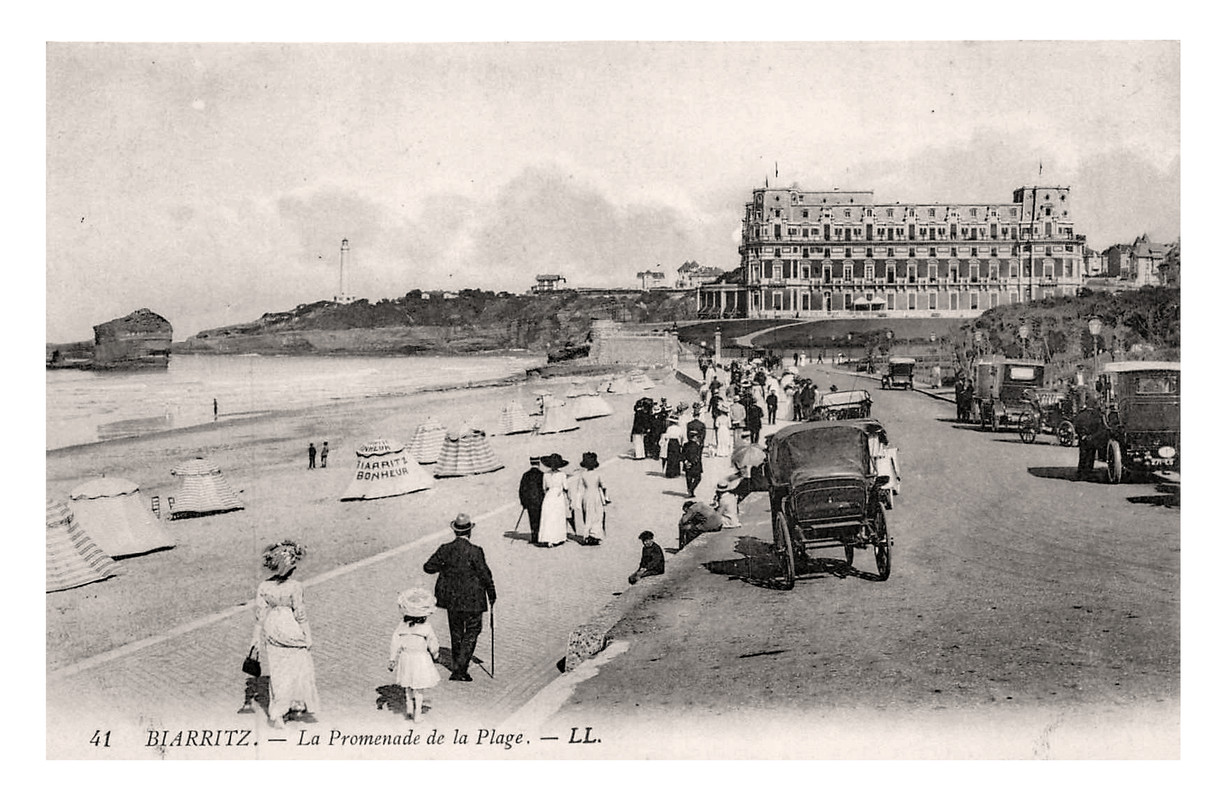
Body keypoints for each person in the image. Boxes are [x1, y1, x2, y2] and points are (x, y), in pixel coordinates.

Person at [251, 540, 320, 728]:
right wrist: (308, 636)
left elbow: (260, 615)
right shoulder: (295, 586)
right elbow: (300, 614)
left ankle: (278, 713)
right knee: (298, 668)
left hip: (272, 629)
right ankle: (295, 703)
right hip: (290, 628)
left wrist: (255, 638)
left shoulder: (264, 587)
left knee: (278, 672)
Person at [422, 513, 496, 681]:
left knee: (456, 632)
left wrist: (446, 567)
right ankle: (460, 670)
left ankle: (458, 665)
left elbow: (428, 567)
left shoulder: (445, 549)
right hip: (473, 600)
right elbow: (485, 575)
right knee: (472, 630)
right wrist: (492, 595)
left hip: (451, 599)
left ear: (454, 531)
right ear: (469, 532)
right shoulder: (475, 551)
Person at [389, 588, 441, 722]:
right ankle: (417, 714)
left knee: (408, 684)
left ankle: (409, 708)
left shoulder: (402, 626)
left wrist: (392, 658)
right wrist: (435, 654)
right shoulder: (426, 627)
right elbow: (433, 643)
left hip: (406, 658)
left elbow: (395, 642)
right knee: (419, 687)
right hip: (420, 659)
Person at [537, 453, 569, 547]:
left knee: (548, 517)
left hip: (549, 495)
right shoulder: (562, 474)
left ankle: (547, 538)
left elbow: (544, 487)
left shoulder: (546, 474)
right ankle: (557, 538)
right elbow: (566, 487)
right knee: (557, 517)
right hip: (558, 496)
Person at [1073, 399, 1109, 481]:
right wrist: (1093, 436)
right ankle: (1088, 472)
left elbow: (1076, 425)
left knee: (1083, 455)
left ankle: (1080, 473)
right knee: (1091, 454)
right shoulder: (1097, 415)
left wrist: (1082, 435)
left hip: (1083, 438)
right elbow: (1101, 428)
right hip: (1093, 438)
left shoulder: (1081, 414)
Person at [578, 452, 608, 545]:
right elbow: (604, 486)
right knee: (598, 515)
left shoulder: (583, 475)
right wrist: (606, 497)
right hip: (596, 495)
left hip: (587, 496)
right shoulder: (598, 474)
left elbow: (580, 488)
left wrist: (579, 501)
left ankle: (588, 535)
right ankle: (596, 535)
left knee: (588, 515)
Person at [517, 455, 545, 544]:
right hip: (540, 500)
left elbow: (522, 489)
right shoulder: (542, 475)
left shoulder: (526, 475)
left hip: (530, 501)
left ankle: (534, 535)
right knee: (540, 518)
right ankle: (539, 535)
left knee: (532, 518)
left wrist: (523, 502)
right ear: (539, 463)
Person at [681, 432, 704, 498]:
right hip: (695, 464)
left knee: (689, 478)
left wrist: (686, 462)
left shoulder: (685, 445)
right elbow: (698, 456)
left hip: (687, 464)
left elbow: (682, 455)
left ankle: (690, 491)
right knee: (698, 478)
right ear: (694, 437)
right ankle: (691, 490)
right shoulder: (697, 446)